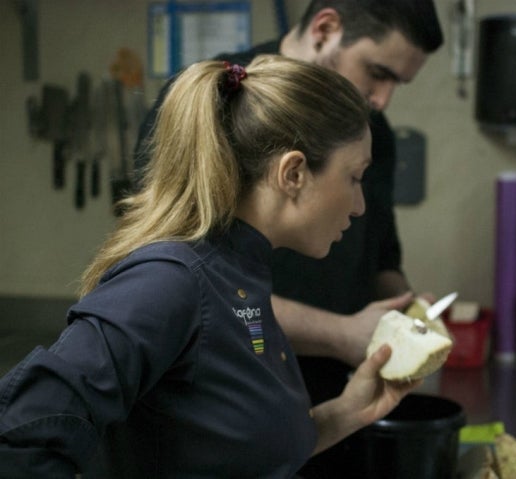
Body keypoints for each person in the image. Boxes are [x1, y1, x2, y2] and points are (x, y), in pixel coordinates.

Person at [0, 55, 420, 478]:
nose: (360, 204)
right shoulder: (169, 282)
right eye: (354, 177)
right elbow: (24, 432)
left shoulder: (240, 277)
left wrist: (349, 410)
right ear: (293, 173)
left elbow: (237, 450)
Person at [134, 0, 444, 405]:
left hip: (336, 395)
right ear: (325, 29)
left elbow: (379, 254)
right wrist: (341, 334)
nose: (382, 100)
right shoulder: (219, 104)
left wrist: (412, 316)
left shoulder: (375, 134)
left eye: (396, 84)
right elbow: (189, 285)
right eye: (377, 73)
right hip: (226, 399)